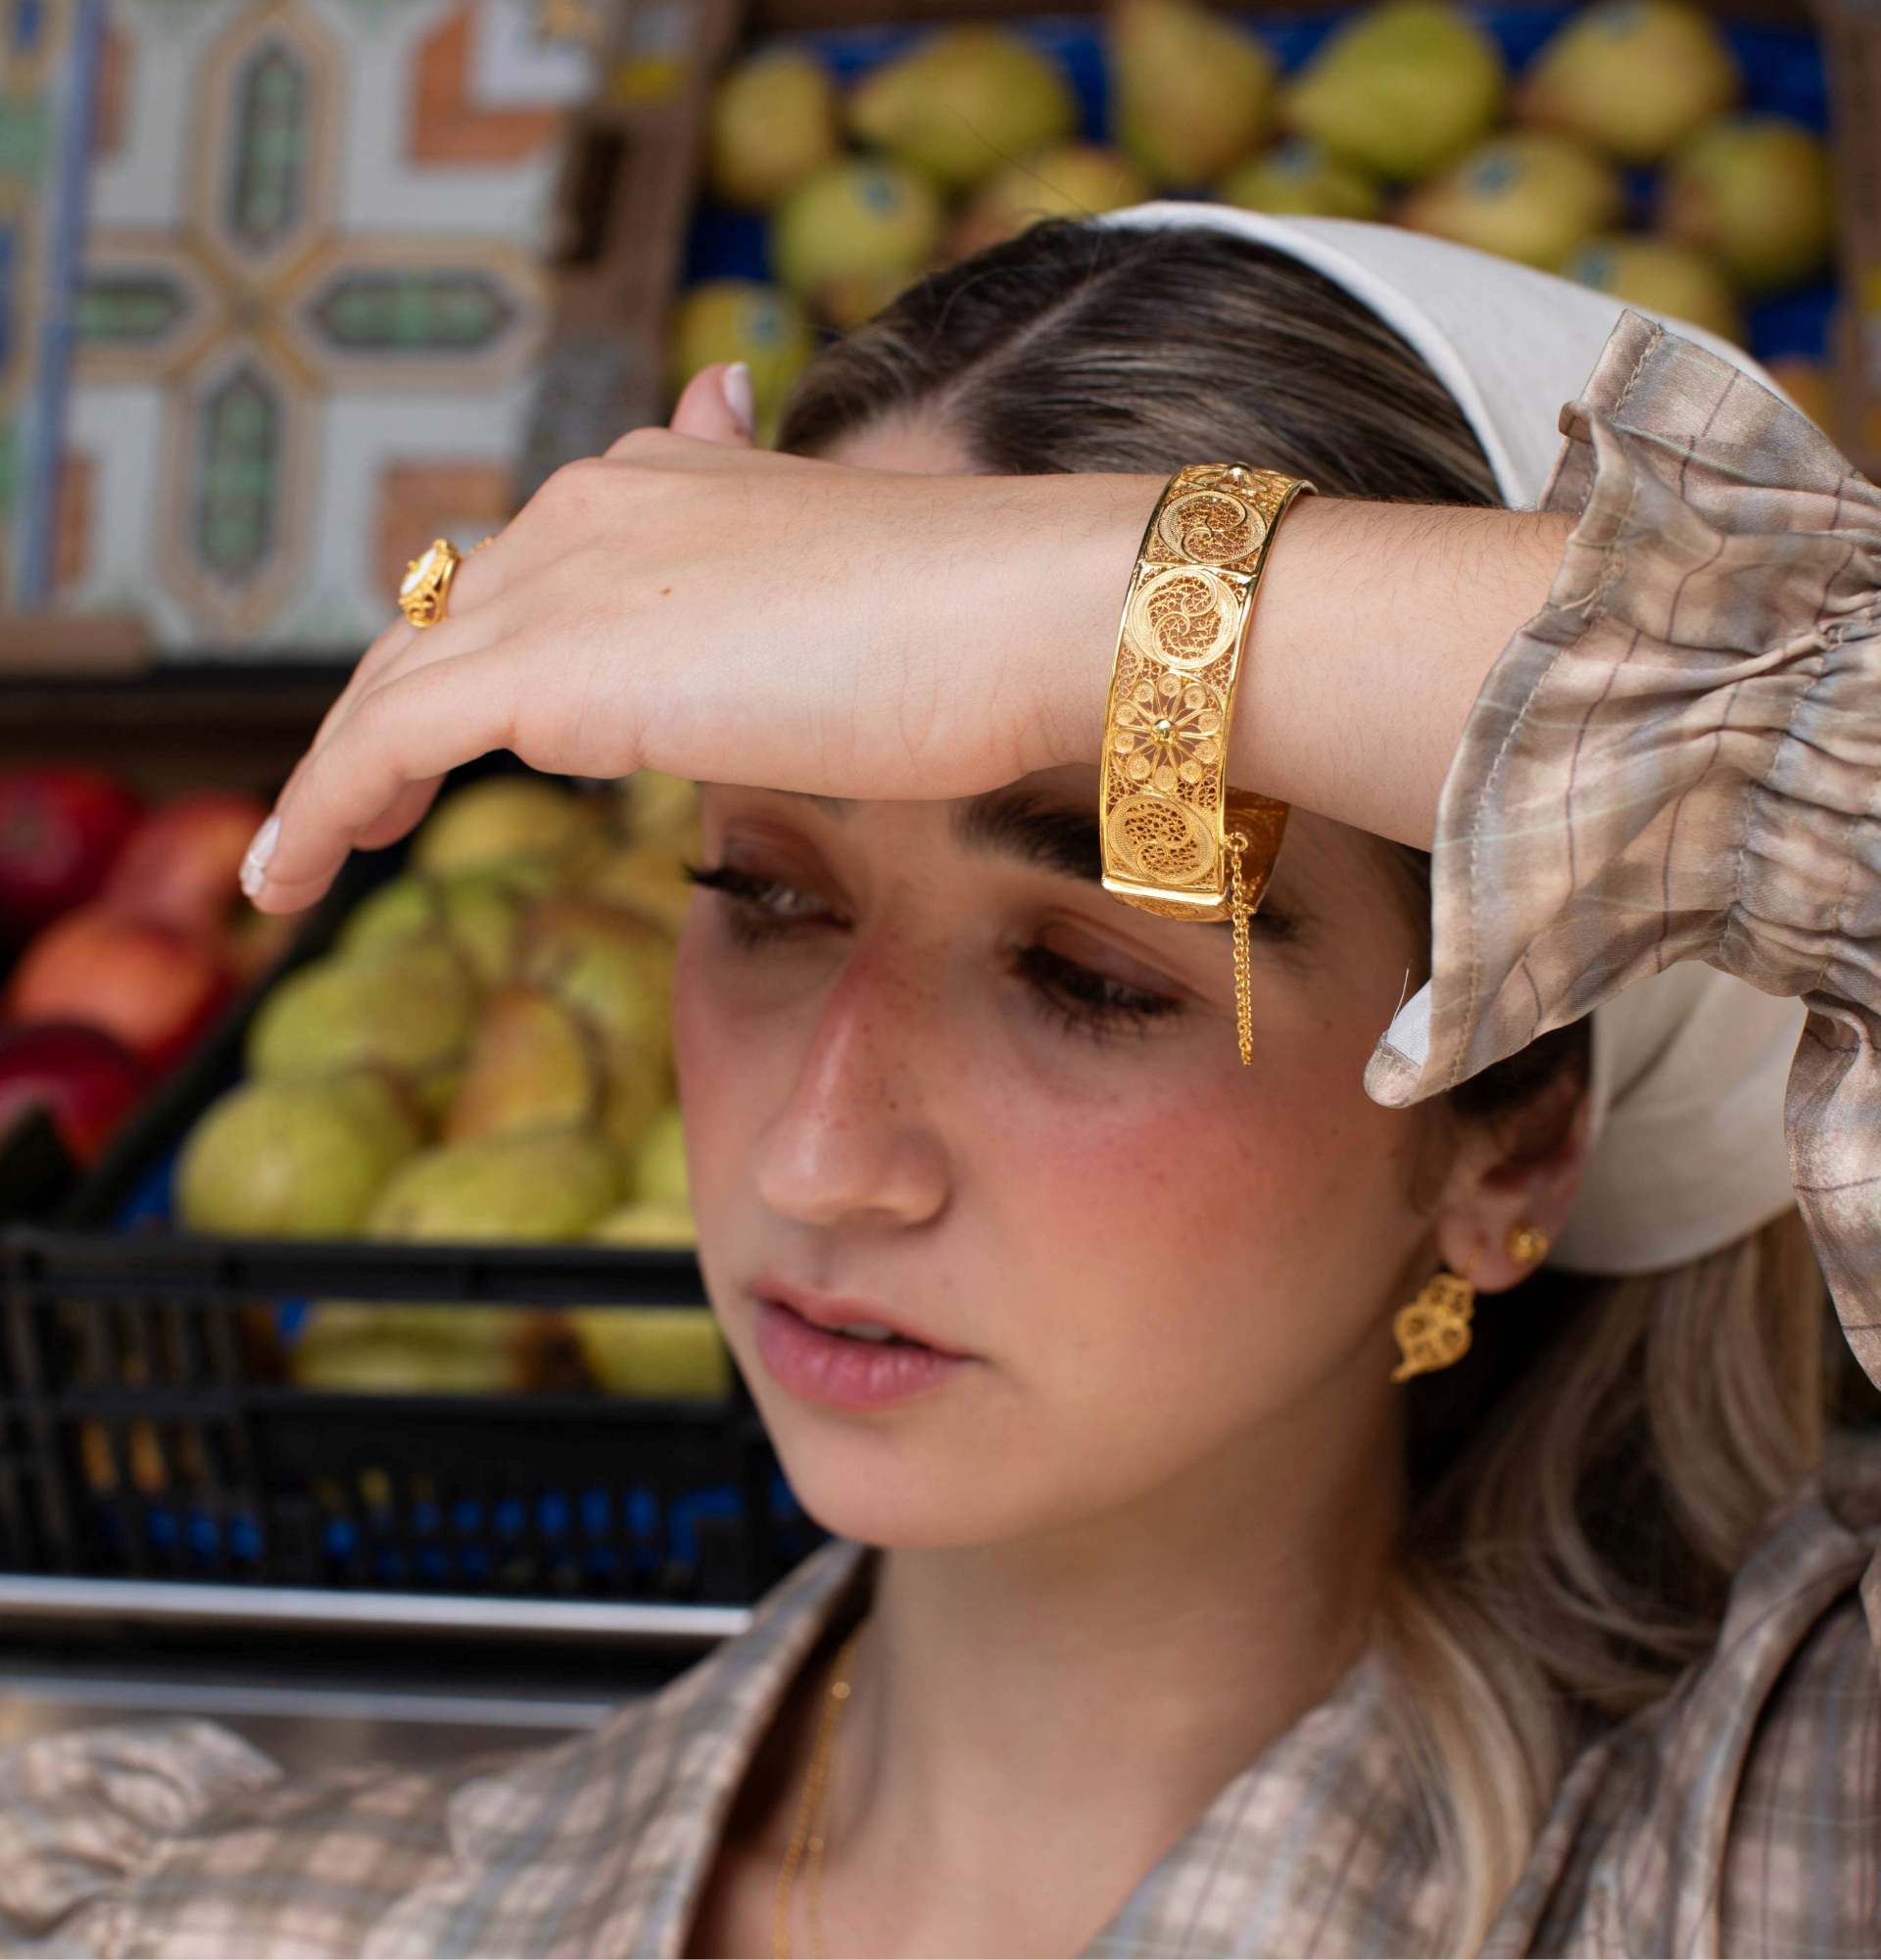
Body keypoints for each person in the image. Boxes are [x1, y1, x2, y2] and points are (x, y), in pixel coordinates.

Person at [2, 207, 1877, 1959]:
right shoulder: (228, 1921)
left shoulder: (1769, 1873)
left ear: (1515, 1140)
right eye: (762, 888)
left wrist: (1123, 606)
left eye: (1087, 974)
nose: (821, 1157)